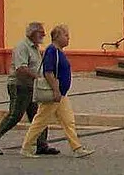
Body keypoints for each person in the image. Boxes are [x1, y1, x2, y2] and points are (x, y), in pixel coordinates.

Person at [22, 24, 92, 159]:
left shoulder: (59, 51)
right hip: (54, 94)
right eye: (66, 35)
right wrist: (55, 90)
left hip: (61, 94)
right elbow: (48, 72)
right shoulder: (52, 51)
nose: (68, 38)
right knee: (40, 121)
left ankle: (77, 148)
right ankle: (26, 147)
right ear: (57, 37)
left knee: (68, 121)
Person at [0, 21, 52, 156]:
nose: (44, 34)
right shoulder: (23, 46)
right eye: (41, 32)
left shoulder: (35, 47)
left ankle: (42, 144)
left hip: (30, 86)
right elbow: (21, 68)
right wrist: (38, 77)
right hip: (19, 86)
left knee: (39, 116)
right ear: (32, 33)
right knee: (15, 115)